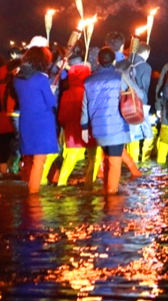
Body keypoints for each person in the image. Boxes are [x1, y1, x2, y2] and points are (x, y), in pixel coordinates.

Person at [81, 47, 145, 195]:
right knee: (114, 163)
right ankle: (111, 199)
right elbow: (139, 94)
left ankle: (107, 192)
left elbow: (85, 106)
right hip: (117, 127)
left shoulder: (88, 80)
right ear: (113, 61)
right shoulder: (120, 77)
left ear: (98, 60)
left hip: (98, 129)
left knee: (108, 159)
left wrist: (84, 127)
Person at [12, 46, 60, 194]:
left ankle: (32, 190)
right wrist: (52, 91)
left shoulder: (17, 79)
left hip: (26, 121)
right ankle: (33, 194)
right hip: (42, 122)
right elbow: (51, 102)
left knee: (32, 159)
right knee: (40, 160)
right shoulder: (40, 79)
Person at [56, 54, 94, 186]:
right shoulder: (90, 91)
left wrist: (64, 126)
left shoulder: (66, 93)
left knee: (70, 158)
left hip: (72, 130)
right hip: (89, 129)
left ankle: (61, 182)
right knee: (93, 158)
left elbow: (61, 116)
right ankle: (90, 183)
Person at [127, 43, 154, 162]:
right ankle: (143, 161)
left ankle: (131, 162)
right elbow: (145, 87)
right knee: (148, 134)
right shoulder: (145, 67)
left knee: (131, 136)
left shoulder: (125, 63)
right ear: (146, 52)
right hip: (139, 105)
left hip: (125, 103)